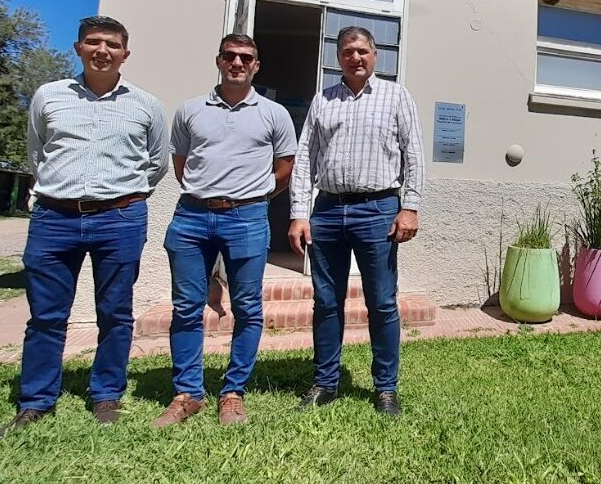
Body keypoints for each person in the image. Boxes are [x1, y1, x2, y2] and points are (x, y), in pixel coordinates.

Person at [0, 16, 169, 436]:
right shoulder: (49, 96)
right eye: (93, 42)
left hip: (120, 217)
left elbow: (158, 163)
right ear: (78, 48)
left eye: (112, 44)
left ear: (125, 54)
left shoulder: (146, 105)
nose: (102, 51)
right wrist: (62, 190)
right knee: (46, 315)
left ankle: (106, 394)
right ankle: (36, 401)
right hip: (54, 217)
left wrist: (124, 196)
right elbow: (37, 153)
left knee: (115, 311)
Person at [153, 33, 296, 427]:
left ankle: (233, 393)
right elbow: (182, 165)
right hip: (192, 217)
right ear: (219, 61)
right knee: (186, 307)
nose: (237, 63)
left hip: (247, 218)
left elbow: (284, 167)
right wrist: (209, 194)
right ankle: (187, 394)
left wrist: (253, 196)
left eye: (245, 57)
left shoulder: (274, 113)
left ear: (256, 65)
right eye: (230, 56)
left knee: (248, 308)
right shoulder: (190, 110)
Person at [288, 25, 424, 416]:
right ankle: (325, 382)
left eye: (362, 50)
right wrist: (299, 213)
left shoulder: (396, 96)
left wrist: (409, 207)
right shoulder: (323, 100)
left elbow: (413, 154)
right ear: (338, 57)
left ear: (375, 55)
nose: (356, 57)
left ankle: (385, 389)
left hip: (378, 210)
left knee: (381, 303)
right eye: (348, 51)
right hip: (328, 211)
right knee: (326, 301)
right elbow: (304, 160)